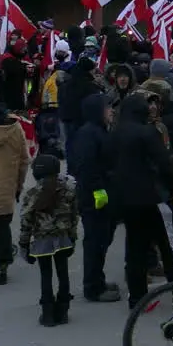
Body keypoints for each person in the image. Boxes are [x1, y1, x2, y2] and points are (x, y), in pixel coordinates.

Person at [111, 91, 173, 305]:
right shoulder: (147, 133)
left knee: (135, 247)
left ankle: (137, 297)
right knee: (168, 244)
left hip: (127, 198)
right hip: (154, 197)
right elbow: (164, 163)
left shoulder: (116, 133)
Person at [68, 94, 121, 302]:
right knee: (95, 242)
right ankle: (93, 287)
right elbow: (86, 167)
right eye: (107, 108)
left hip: (104, 195)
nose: (112, 111)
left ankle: (98, 279)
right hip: (95, 199)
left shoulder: (98, 131)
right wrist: (99, 192)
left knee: (102, 240)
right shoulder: (88, 134)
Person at [19, 154, 79, 326]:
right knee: (63, 273)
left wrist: (24, 245)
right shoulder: (68, 190)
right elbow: (74, 216)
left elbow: (26, 223)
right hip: (63, 238)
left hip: (42, 241)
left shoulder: (32, 194)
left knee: (46, 275)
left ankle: (47, 314)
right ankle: (63, 309)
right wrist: (73, 238)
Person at [0, 103, 31, 285]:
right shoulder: (15, 129)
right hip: (5, 189)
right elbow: (24, 160)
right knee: (2, 226)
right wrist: (18, 185)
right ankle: (1, 265)